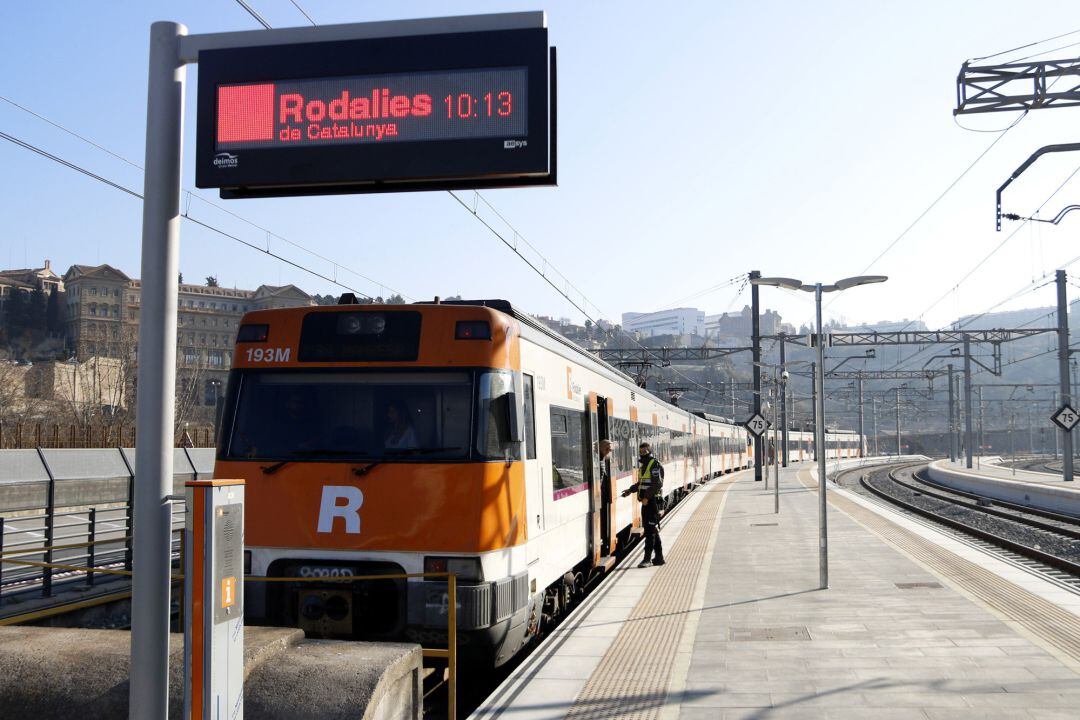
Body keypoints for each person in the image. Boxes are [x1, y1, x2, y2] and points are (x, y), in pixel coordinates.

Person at [621, 442, 665, 567]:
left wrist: (646, 497)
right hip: (646, 503)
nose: (643, 452)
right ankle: (659, 557)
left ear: (649, 450)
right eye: (641, 451)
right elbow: (641, 484)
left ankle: (647, 559)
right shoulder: (643, 466)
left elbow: (657, 484)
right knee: (652, 530)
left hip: (652, 502)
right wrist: (630, 490)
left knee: (650, 531)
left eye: (645, 450)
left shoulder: (654, 464)